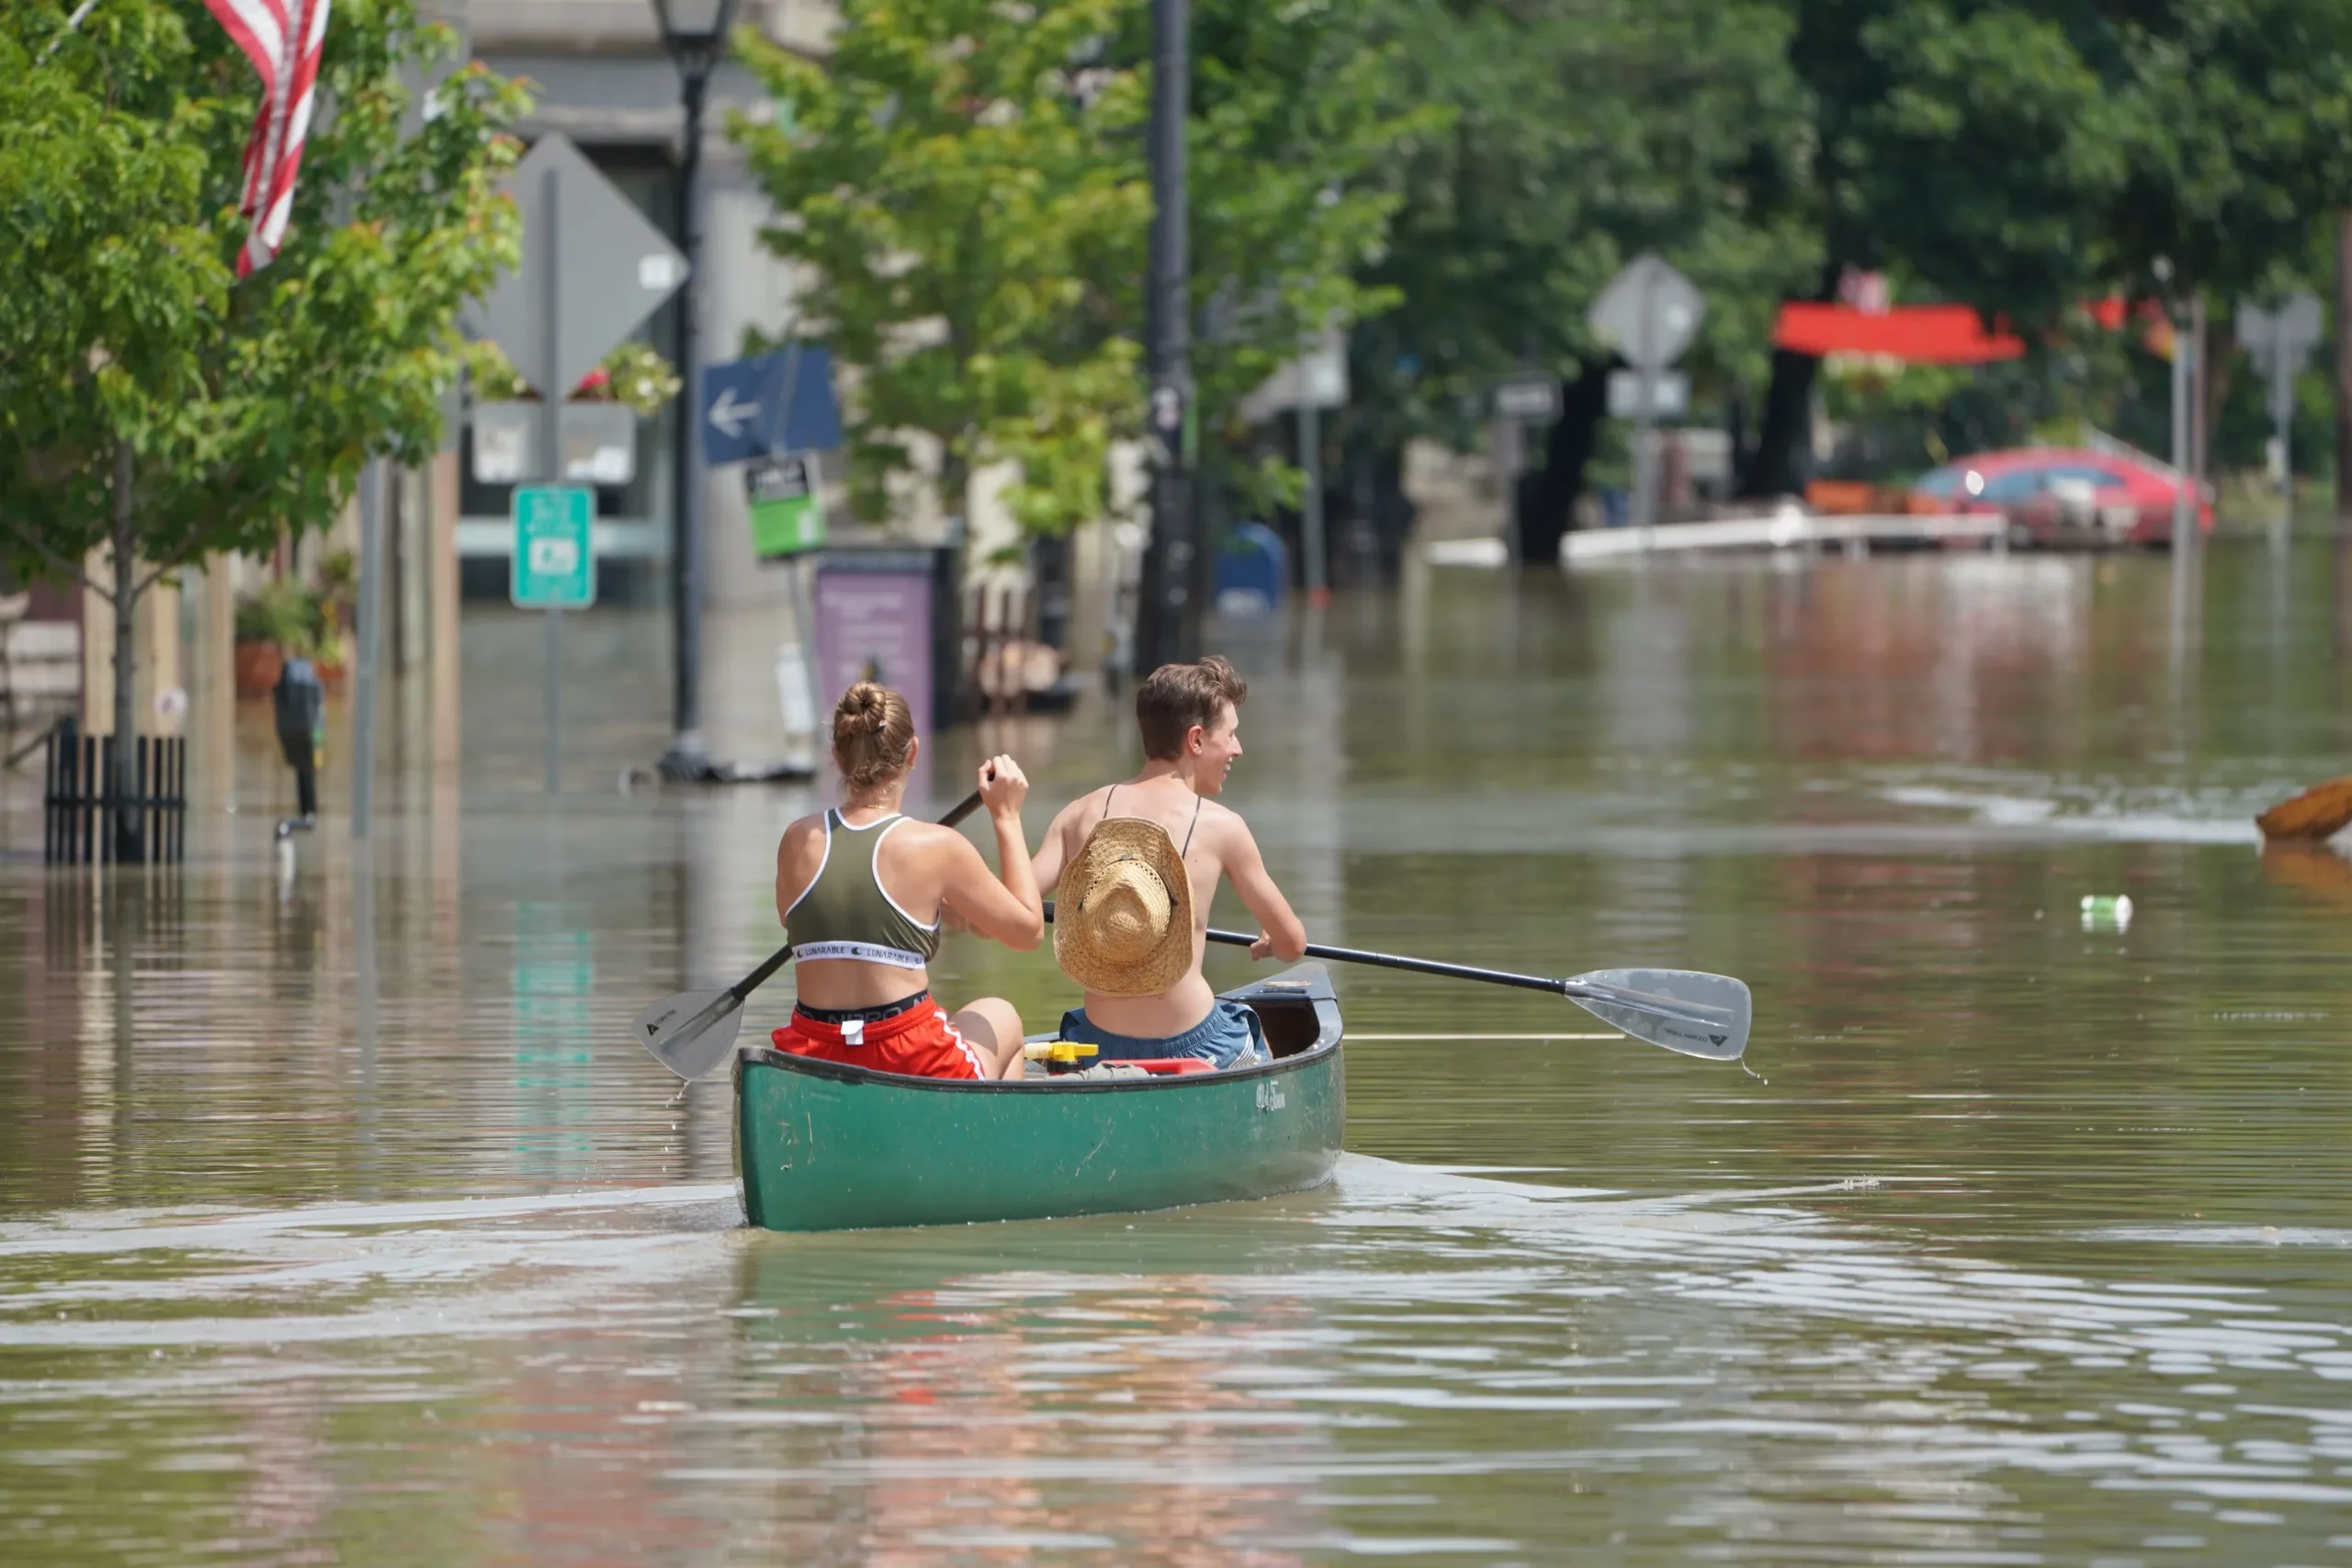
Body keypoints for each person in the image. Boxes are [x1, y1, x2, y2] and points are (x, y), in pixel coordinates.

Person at [1030, 656, 1307, 1068]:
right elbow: (1293, 945)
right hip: (1199, 1044)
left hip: (1098, 1046)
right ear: (1195, 740)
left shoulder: (1078, 815)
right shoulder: (1223, 827)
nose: (1237, 748)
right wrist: (1271, 944)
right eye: (1230, 735)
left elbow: (1011, 906)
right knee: (1251, 1028)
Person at [771, 682, 1043, 1080]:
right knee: (1001, 1015)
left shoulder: (796, 840)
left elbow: (795, 921)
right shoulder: (936, 847)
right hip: (908, 1054)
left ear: (836, 755)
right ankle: (989, 1137)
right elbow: (1028, 931)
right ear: (912, 752)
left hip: (813, 1052)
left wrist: (937, 909)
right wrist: (1005, 816)